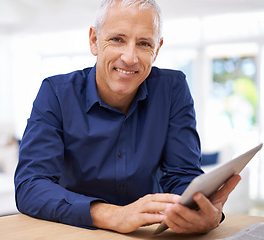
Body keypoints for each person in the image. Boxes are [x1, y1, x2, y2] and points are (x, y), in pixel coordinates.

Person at [14, 0, 241, 234]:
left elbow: (182, 175)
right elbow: (29, 187)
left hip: (147, 233)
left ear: (157, 48)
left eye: (144, 43)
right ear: (94, 41)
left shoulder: (173, 89)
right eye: (117, 39)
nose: (130, 57)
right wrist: (113, 214)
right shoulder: (56, 93)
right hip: (75, 231)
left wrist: (199, 209)